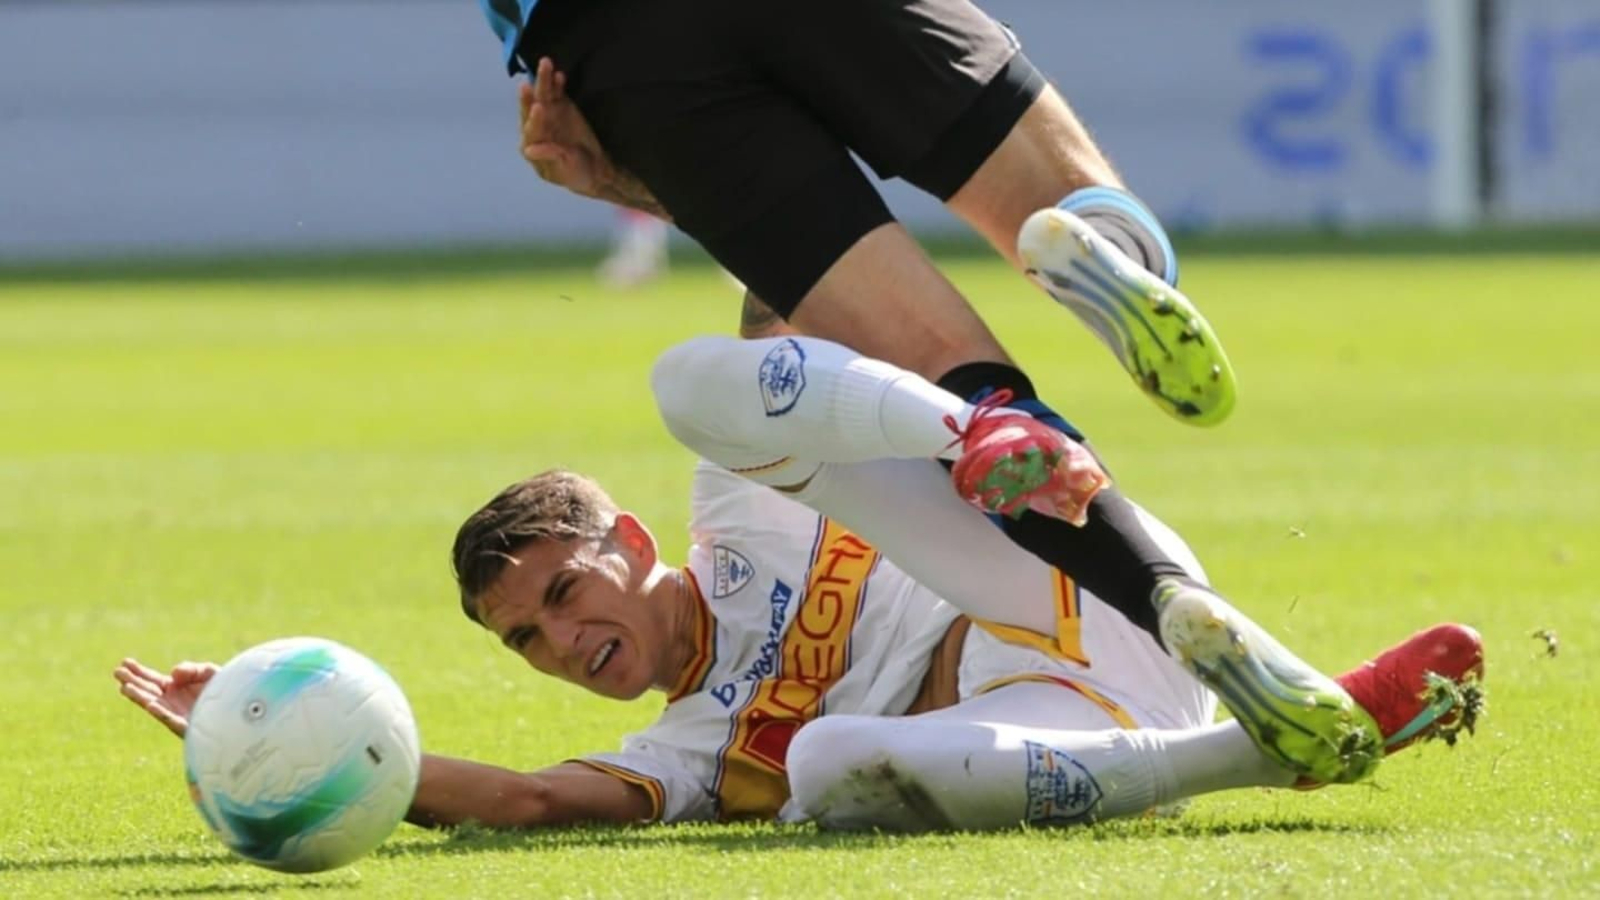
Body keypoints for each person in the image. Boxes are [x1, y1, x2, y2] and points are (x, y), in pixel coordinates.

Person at [115, 344, 1485, 830]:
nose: (556, 641)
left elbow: (783, 284)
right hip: (1067, 735)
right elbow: (526, 797)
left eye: (562, 591)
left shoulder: (732, 504)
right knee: (826, 765)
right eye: (523, 638)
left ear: (633, 544)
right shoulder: (690, 750)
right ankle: (1284, 743)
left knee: (686, 383)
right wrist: (272, 736)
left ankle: (984, 433)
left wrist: (653, 143)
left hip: (1054, 579)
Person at [494, 2, 1250, 695]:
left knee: (962, 394)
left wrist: (640, 182)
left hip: (608, 41)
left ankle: (1161, 595)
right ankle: (1104, 255)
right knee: (1066, 196)